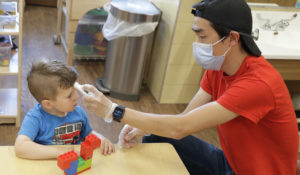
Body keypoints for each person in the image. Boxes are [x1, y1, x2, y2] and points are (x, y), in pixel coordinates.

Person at [81, 0, 299, 174]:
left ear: (232, 38)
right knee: (156, 137)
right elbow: (186, 117)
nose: (197, 43)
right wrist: (145, 126)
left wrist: (114, 111)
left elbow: (181, 127)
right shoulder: (218, 63)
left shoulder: (258, 84)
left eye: (202, 36)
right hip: (230, 163)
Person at [15, 60, 115, 160]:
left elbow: (88, 134)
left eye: (75, 90)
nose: (76, 97)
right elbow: (20, 147)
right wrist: (59, 152)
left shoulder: (78, 112)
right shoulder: (35, 118)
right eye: (69, 96)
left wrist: (100, 138)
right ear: (48, 104)